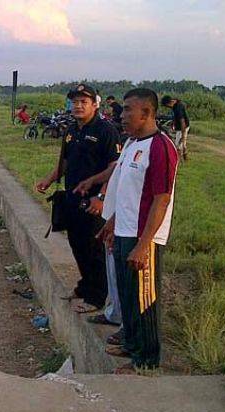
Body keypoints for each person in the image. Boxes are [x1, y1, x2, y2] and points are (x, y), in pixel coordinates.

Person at [97, 88, 179, 373]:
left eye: (129, 109)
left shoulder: (161, 147)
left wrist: (144, 244)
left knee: (145, 299)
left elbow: (161, 198)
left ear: (147, 113)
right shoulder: (132, 143)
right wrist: (112, 221)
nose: (122, 115)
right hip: (124, 231)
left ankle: (146, 359)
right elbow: (128, 192)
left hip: (144, 237)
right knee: (128, 292)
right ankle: (131, 343)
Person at [35, 84, 122, 313]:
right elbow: (64, 162)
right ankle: (85, 286)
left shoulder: (106, 131)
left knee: (94, 248)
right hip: (72, 198)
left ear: (95, 104)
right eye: (75, 102)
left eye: (83, 102)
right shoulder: (72, 130)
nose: (78, 106)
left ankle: (97, 296)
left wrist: (102, 196)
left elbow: (115, 167)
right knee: (77, 245)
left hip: (94, 202)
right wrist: (48, 179)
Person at [161, 95, 190, 160]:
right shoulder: (175, 104)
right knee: (183, 144)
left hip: (183, 127)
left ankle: (177, 160)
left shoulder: (178, 108)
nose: (167, 107)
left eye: (166, 106)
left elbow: (182, 122)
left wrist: (183, 135)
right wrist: (173, 123)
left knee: (178, 146)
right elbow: (175, 116)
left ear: (169, 103)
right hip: (182, 126)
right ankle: (185, 157)